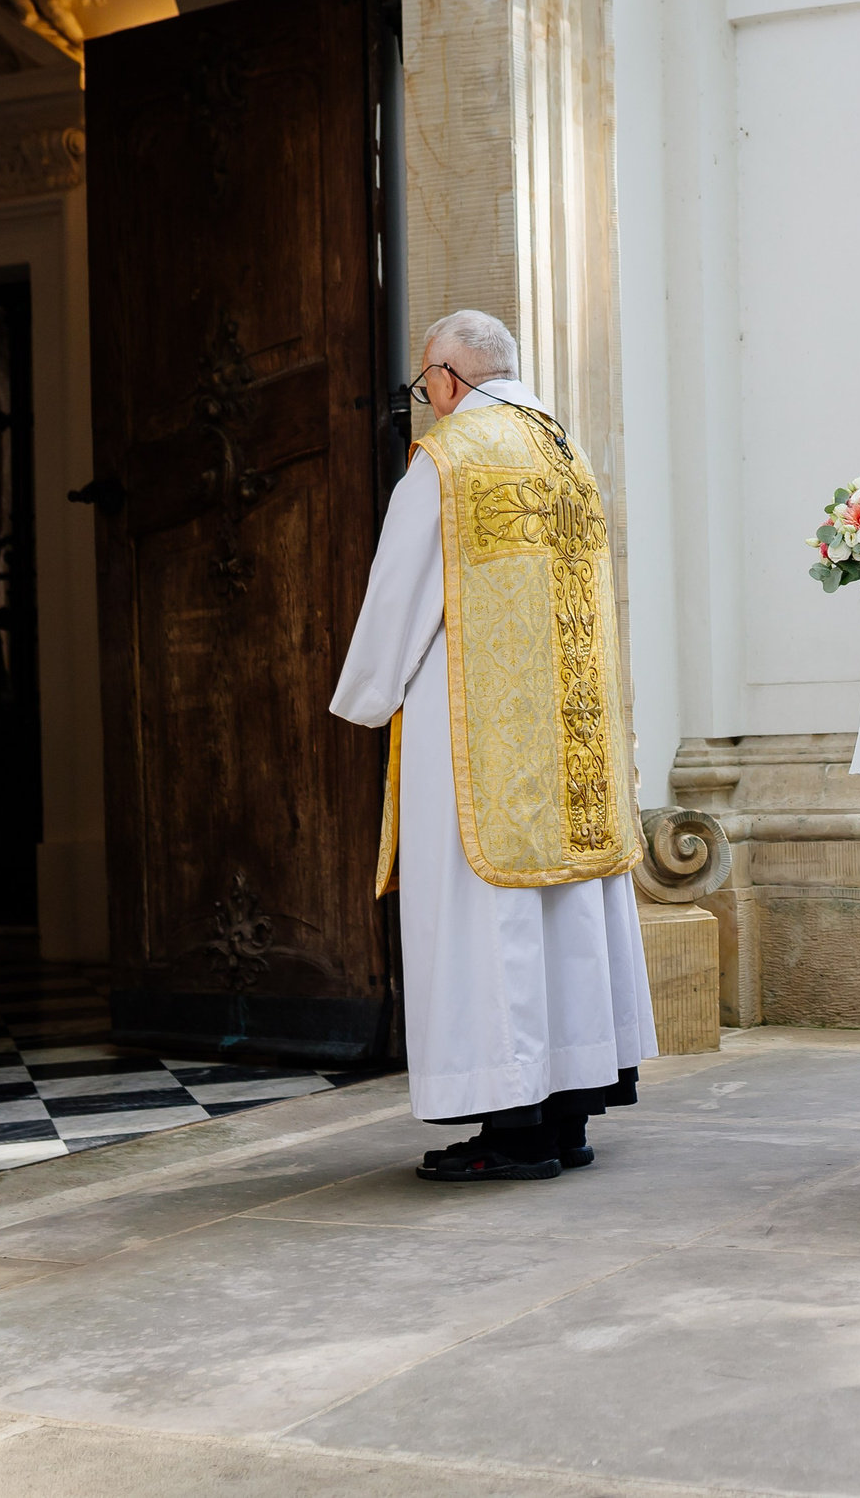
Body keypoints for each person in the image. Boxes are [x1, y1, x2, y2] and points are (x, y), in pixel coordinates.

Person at [330, 310, 657, 1183]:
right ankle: (566, 1116)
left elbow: (399, 593)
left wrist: (363, 696)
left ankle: (514, 1130)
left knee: (491, 918)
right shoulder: (565, 453)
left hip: (474, 733)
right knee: (561, 918)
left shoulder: (448, 459)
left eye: (423, 385)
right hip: (568, 736)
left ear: (446, 377)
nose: (426, 402)